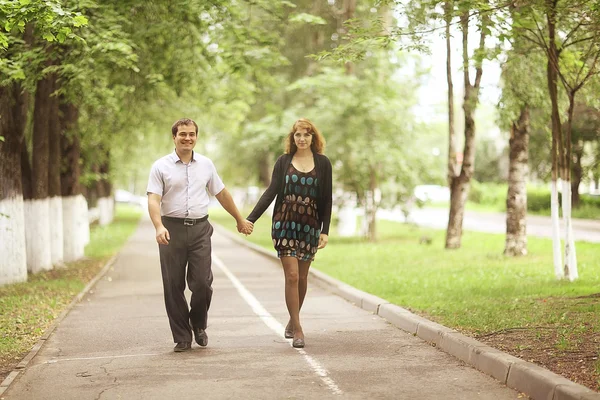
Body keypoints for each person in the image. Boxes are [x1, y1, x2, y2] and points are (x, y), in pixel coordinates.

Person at [147, 118, 253, 352]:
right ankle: (182, 337)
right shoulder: (160, 167)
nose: (187, 138)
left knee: (203, 283)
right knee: (173, 285)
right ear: (174, 137)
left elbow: (222, 194)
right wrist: (158, 226)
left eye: (192, 134)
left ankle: (198, 325)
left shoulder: (206, 165)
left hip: (199, 230)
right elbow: (153, 199)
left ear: (196, 137)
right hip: (171, 230)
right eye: (182, 134)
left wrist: (239, 219)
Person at [246, 118, 332, 348]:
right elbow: (271, 192)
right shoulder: (284, 162)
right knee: (292, 276)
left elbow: (326, 199)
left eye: (306, 134)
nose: (302, 139)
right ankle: (299, 329)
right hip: (284, 225)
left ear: (313, 138)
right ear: (292, 138)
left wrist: (325, 231)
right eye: (297, 135)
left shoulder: (323, 164)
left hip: (309, 227)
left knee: (303, 277)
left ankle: (291, 321)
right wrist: (250, 218)